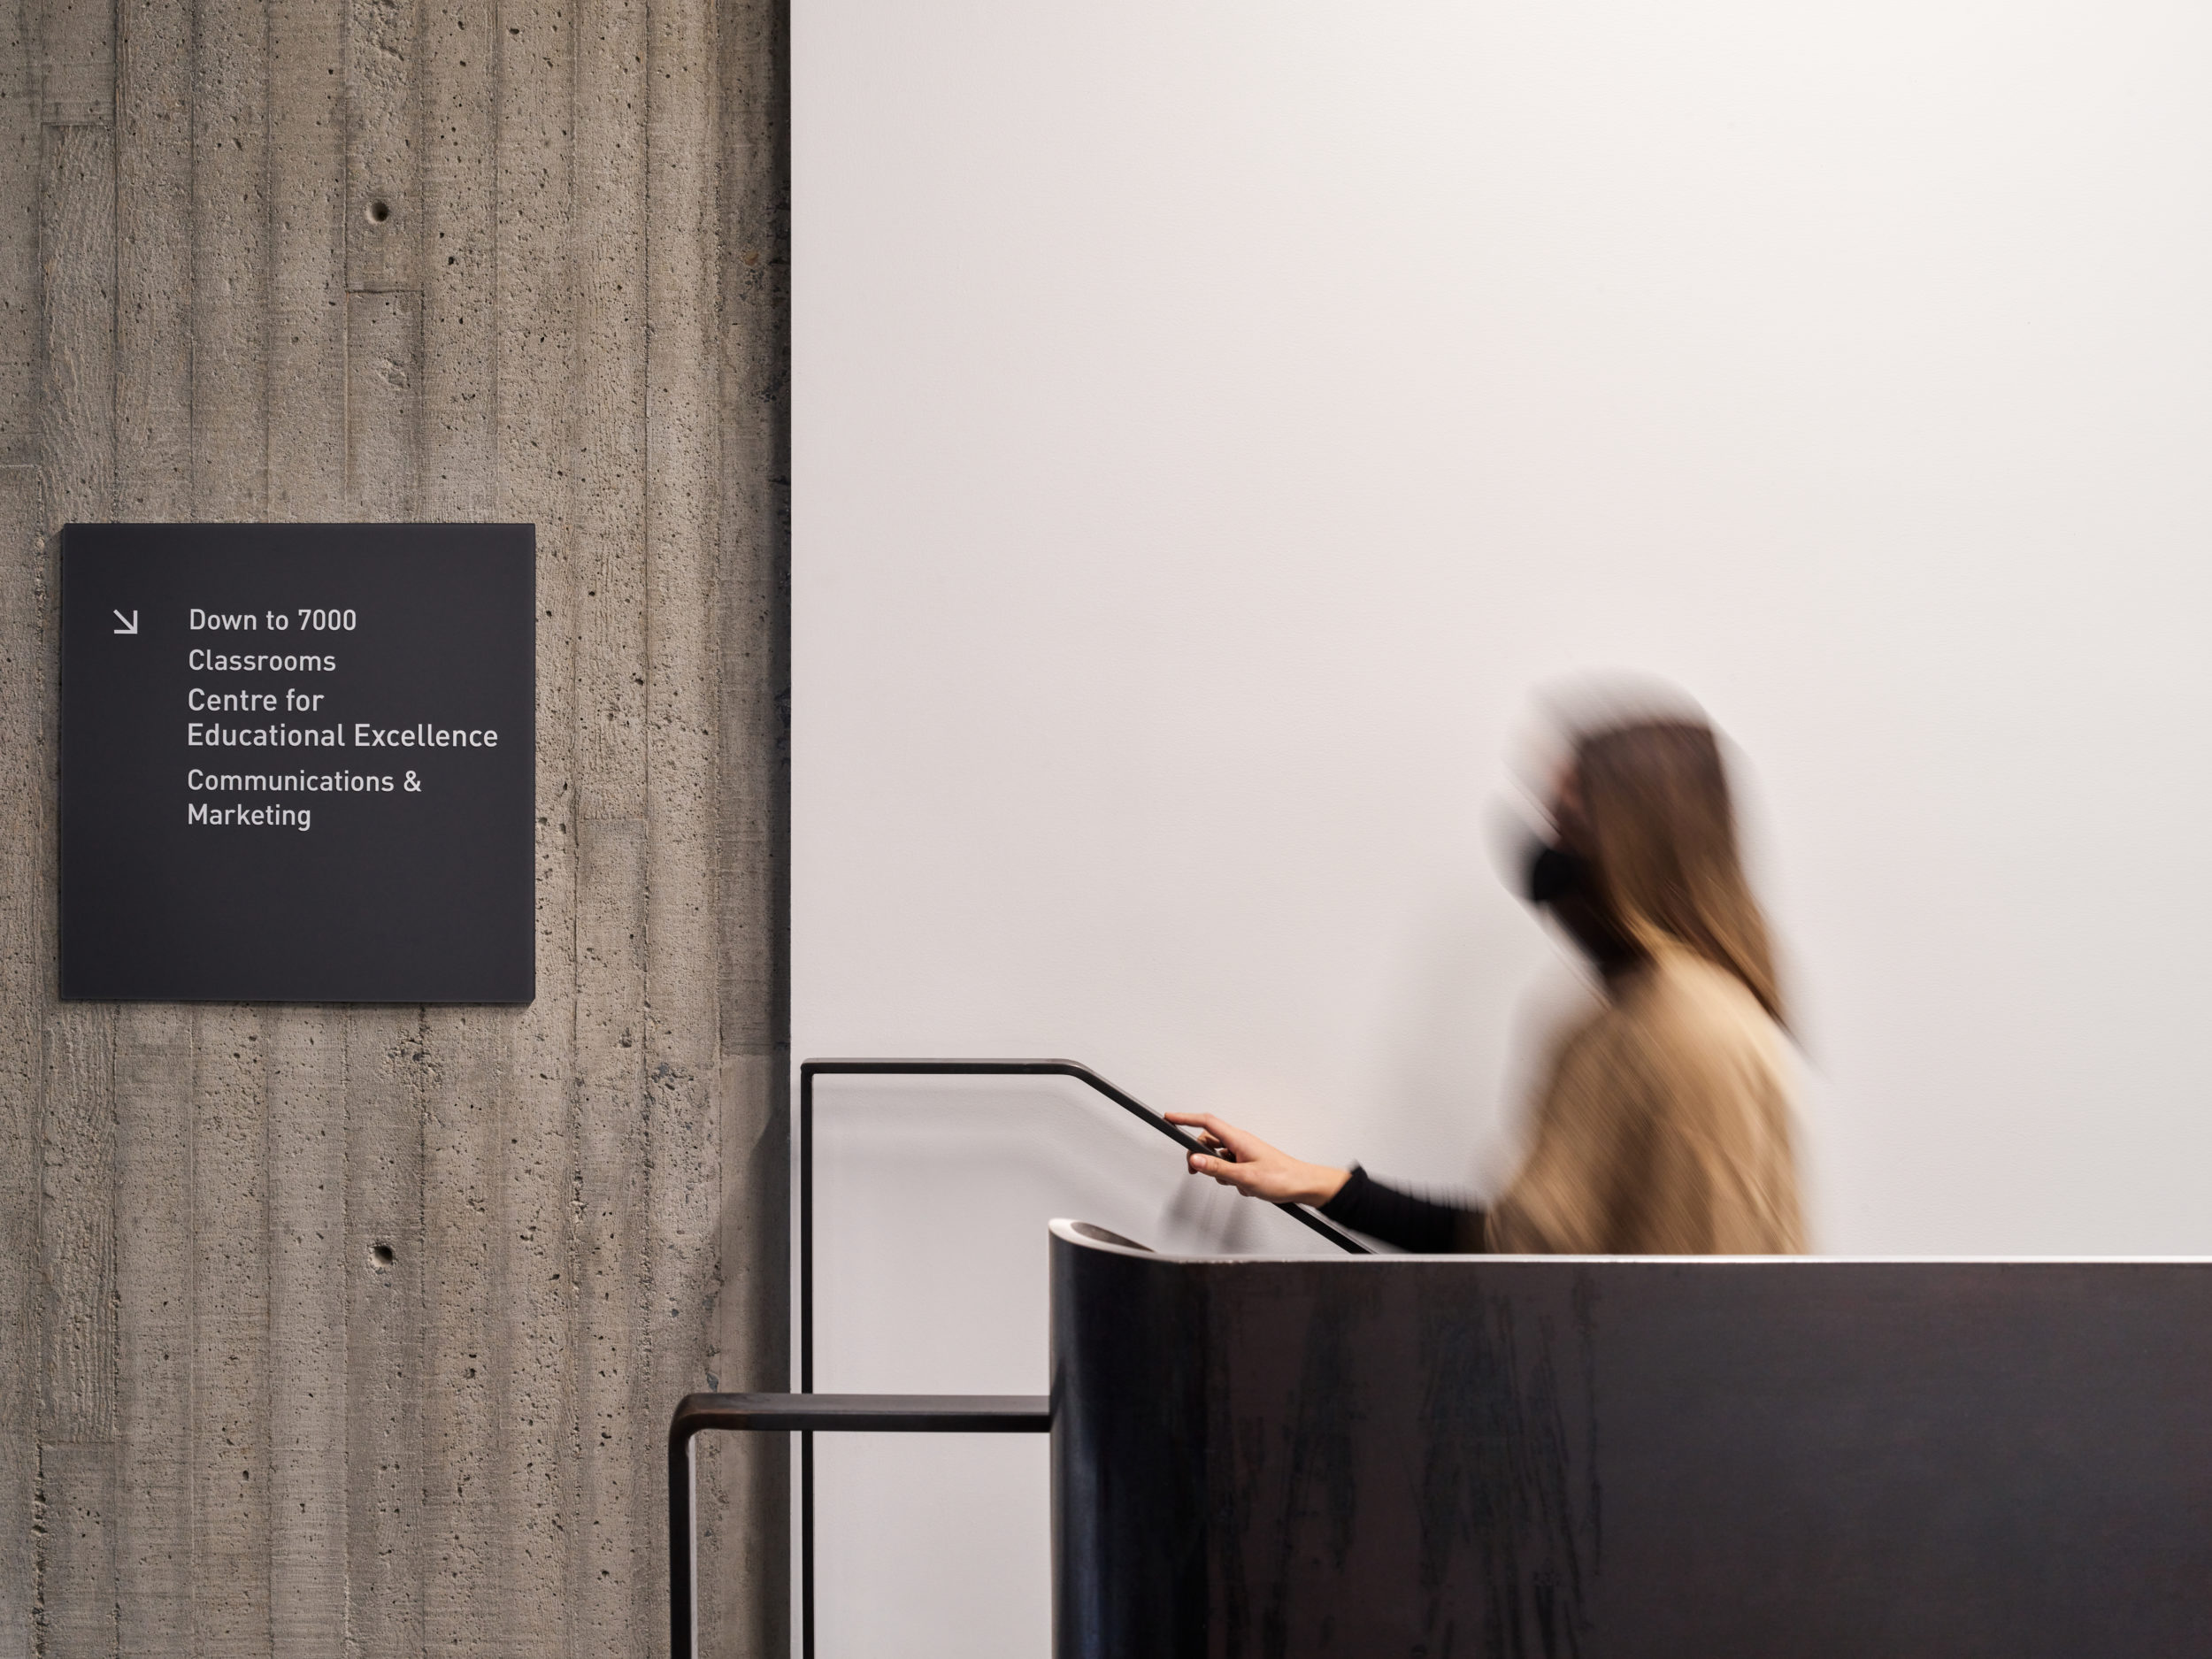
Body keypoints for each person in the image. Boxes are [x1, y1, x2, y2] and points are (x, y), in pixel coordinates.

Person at [1168, 711, 1806, 1254]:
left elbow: (1714, 1295)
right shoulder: (1615, 1015)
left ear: (1636, 845)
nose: (1547, 849)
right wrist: (1313, 1182)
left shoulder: (1693, 1028)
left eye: (1570, 827)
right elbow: (1521, 1243)